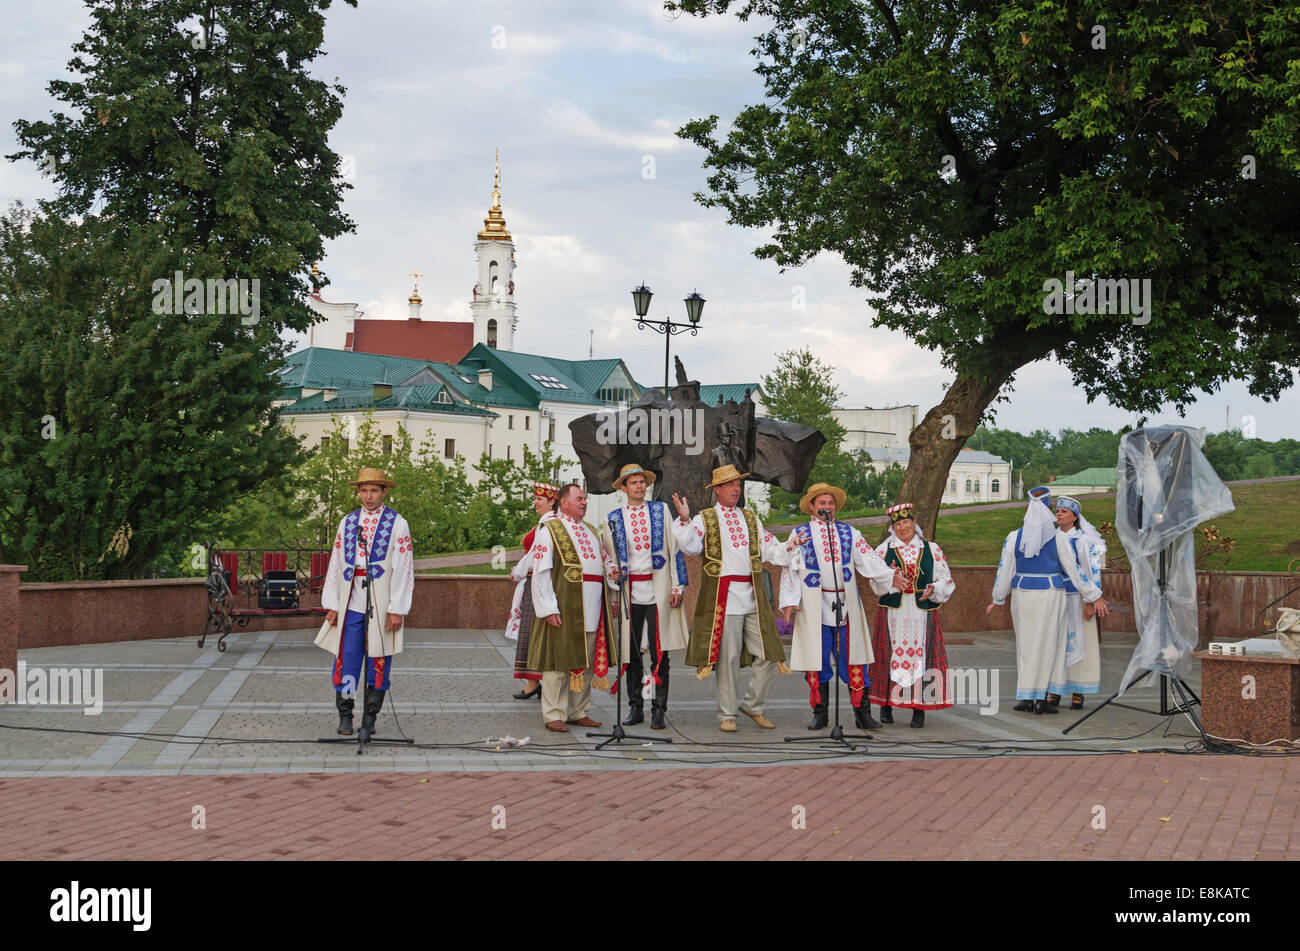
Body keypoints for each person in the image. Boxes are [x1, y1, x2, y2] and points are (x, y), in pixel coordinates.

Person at [672, 464, 807, 733]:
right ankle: (727, 713)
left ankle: (753, 705)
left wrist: (789, 546)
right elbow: (691, 546)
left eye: (738, 484)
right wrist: (686, 520)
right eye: (731, 485)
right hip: (724, 598)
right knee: (729, 658)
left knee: (770, 653)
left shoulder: (750, 517)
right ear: (718, 490)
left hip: (752, 595)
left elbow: (770, 548)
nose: (736, 489)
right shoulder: (705, 518)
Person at [779, 483, 903, 730]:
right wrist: (789, 602)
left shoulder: (849, 533)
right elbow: (790, 567)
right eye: (822, 503)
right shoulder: (801, 533)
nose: (827, 507)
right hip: (813, 605)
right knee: (817, 659)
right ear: (812, 508)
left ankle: (862, 713)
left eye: (830, 503)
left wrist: (890, 576)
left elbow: (868, 559)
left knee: (854, 657)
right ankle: (820, 713)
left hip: (845, 603)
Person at [987, 487, 1107, 714]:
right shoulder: (1059, 537)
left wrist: (998, 598)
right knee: (1051, 645)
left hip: (1022, 595)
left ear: (1026, 509)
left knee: (1026, 646)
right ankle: (1042, 699)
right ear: (1049, 510)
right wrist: (1094, 594)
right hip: (1051, 595)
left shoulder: (1013, 536)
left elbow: (1005, 571)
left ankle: (1026, 697)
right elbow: (1074, 571)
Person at [316, 467, 414, 742]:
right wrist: (333, 602)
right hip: (350, 601)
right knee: (346, 660)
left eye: (374, 490)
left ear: (384, 492)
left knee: (378, 659)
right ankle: (345, 714)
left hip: (381, 601)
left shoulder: (397, 523)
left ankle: (369, 718)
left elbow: (403, 567)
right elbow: (336, 562)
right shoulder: (348, 522)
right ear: (358, 492)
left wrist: (397, 608)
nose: (368, 496)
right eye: (363, 490)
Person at [603, 463, 689, 731]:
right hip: (630, 594)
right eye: (634, 483)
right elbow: (608, 556)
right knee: (631, 655)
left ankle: (658, 709)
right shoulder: (613, 518)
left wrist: (678, 586)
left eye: (642, 482)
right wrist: (613, 575)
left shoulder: (660, 510)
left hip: (658, 591)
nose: (640, 486)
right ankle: (635, 707)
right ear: (624, 488)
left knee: (660, 653)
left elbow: (674, 549)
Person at [529, 484, 620, 733]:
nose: (584, 502)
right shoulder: (549, 529)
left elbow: (604, 561)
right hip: (565, 605)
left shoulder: (591, 530)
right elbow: (540, 571)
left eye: (585, 499)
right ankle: (553, 714)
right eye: (579, 498)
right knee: (558, 662)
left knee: (587, 661)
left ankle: (578, 710)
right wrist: (548, 608)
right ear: (563, 502)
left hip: (593, 605)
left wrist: (612, 573)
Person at [865, 503, 957, 729]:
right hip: (893, 611)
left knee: (921, 658)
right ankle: (886, 705)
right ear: (893, 528)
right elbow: (873, 581)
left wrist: (933, 589)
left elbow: (947, 579)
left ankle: (919, 709)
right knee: (888, 655)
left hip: (921, 612)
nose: (903, 527)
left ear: (915, 523)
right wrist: (890, 578)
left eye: (906, 522)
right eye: (898, 524)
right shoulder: (883, 551)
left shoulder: (931, 549)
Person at [1049, 496, 1108, 710]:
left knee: (1082, 642)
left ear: (1074, 516)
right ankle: (1054, 689)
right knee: (1055, 643)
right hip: (1056, 596)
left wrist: (1091, 600)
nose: (1059, 514)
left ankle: (1078, 690)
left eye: (1064, 511)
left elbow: (1091, 570)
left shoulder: (1082, 540)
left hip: (1078, 596)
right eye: (1058, 511)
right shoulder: (1051, 538)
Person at [504, 482, 560, 701]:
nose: (535, 502)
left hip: (539, 584)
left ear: (551, 501)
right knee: (533, 634)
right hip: (534, 582)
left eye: (539, 499)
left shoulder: (549, 526)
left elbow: (535, 555)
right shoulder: (544, 524)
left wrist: (518, 571)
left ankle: (536, 682)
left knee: (533, 634)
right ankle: (534, 681)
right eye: (535, 498)